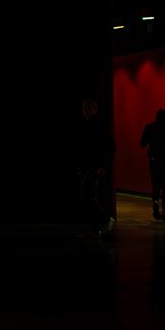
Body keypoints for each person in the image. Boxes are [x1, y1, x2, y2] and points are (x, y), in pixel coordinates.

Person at [75, 95, 112, 240]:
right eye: (83, 109)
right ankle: (96, 228)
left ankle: (104, 221)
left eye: (86, 109)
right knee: (87, 197)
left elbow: (109, 147)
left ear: (92, 110)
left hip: (94, 167)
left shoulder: (98, 126)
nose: (84, 111)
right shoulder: (87, 125)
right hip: (86, 167)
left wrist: (103, 165)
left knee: (88, 196)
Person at [139, 108, 165, 221]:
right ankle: (164, 211)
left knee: (155, 185)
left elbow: (142, 144)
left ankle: (155, 205)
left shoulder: (149, 127)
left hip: (154, 160)